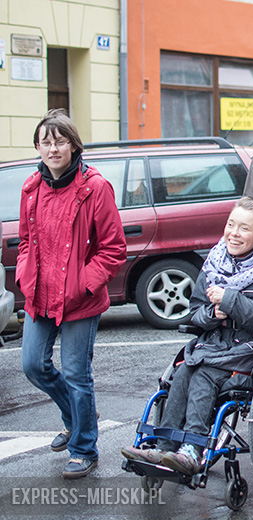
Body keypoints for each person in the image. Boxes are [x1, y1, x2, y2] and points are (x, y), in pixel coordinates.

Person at [121, 198, 253, 474]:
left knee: (203, 374)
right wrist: (213, 315)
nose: (234, 233)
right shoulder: (215, 262)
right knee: (182, 373)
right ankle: (164, 449)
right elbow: (196, 311)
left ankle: (192, 449)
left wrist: (231, 301)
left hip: (252, 350)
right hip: (213, 345)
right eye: (231, 225)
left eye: (244, 229)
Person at [19, 109, 126, 479]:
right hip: (39, 294)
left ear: (73, 145)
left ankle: (84, 448)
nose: (53, 148)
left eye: (60, 140)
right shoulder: (31, 188)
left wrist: (84, 283)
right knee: (33, 364)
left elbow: (114, 249)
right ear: (37, 146)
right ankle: (76, 416)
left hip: (80, 299)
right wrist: (23, 273)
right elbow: (26, 242)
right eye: (46, 142)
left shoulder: (94, 187)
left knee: (78, 375)